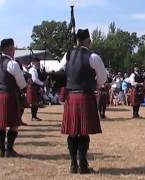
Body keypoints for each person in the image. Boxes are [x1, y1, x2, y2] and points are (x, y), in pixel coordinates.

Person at [59, 29, 107, 174]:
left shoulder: (67, 55)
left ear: (76, 40)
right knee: (84, 133)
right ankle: (83, 165)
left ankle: (73, 164)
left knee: (72, 132)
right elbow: (103, 78)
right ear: (87, 40)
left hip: (71, 96)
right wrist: (95, 85)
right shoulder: (93, 57)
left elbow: (60, 72)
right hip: (85, 95)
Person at [0, 38, 27, 157]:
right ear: (10, 49)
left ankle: (2, 150)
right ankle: (9, 150)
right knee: (14, 124)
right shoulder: (12, 64)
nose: (14, 51)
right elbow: (22, 83)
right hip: (9, 95)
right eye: (13, 49)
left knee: (0, 124)